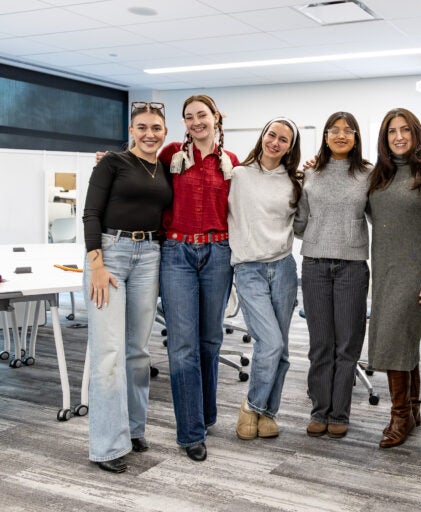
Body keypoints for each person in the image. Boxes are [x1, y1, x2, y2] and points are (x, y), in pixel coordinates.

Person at [82, 101, 173, 473]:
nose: (150, 134)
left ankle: (134, 429)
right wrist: (96, 264)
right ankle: (107, 445)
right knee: (109, 352)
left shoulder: (165, 168)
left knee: (137, 352)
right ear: (131, 131)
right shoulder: (111, 163)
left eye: (156, 127)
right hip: (111, 253)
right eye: (142, 127)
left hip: (150, 254)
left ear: (165, 132)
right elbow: (90, 213)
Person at [158, 94, 240, 462]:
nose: (196, 122)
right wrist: (110, 162)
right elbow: (140, 169)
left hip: (218, 253)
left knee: (210, 341)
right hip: (177, 253)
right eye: (189, 116)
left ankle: (206, 414)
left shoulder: (231, 162)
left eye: (202, 115)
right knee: (183, 347)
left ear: (216, 117)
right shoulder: (171, 155)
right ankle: (191, 432)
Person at [368, 107, 421, 448]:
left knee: (394, 339)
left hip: (416, 271)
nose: (399, 136)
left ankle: (399, 415)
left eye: (405, 130)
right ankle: (412, 410)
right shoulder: (378, 174)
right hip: (384, 269)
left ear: (416, 134)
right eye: (392, 131)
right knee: (402, 341)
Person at [294, 112, 372, 439]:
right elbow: (300, 222)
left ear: (356, 137)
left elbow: (380, 216)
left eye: (348, 131)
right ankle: (319, 410)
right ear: (325, 137)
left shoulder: (368, 173)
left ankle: (339, 412)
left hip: (352, 266)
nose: (341, 135)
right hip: (314, 265)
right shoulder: (311, 172)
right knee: (321, 344)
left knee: (347, 345)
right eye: (334, 130)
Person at [233, 117, 303, 441]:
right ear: (262, 136)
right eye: (271, 135)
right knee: (270, 342)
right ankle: (251, 406)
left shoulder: (294, 182)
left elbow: (301, 225)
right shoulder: (238, 175)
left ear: (290, 147)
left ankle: (267, 412)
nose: (275, 142)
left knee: (281, 347)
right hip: (249, 269)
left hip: (283, 268)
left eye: (283, 140)